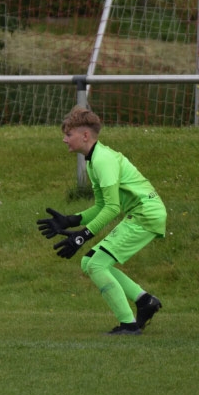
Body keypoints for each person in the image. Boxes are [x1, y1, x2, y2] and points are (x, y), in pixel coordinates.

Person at [37, 105, 166, 335]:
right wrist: (71, 221)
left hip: (145, 215)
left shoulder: (102, 160)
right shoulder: (93, 159)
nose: (64, 139)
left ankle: (128, 326)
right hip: (142, 213)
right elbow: (101, 206)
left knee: (96, 265)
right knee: (89, 262)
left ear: (85, 135)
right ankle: (145, 301)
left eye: (68, 134)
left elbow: (113, 208)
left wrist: (82, 236)